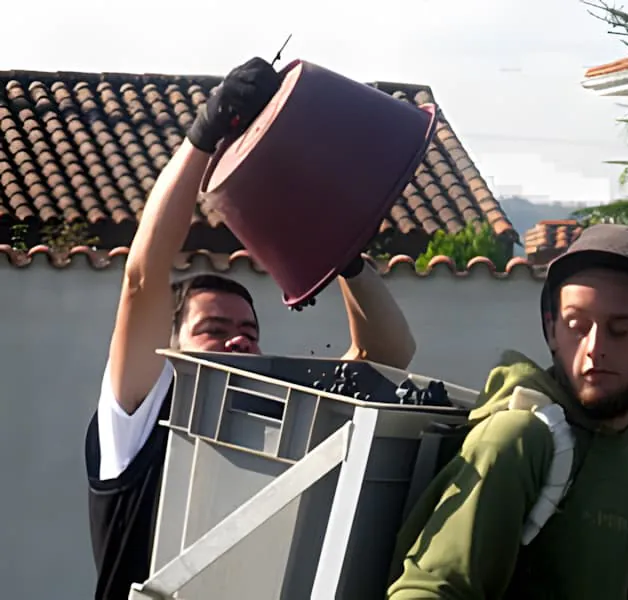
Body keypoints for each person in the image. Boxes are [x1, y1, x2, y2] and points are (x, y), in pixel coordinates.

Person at [83, 57, 417, 600]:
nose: (238, 338)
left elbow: (388, 352)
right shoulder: (138, 417)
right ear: (168, 347)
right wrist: (203, 134)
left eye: (248, 329)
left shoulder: (276, 411)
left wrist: (342, 254)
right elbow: (143, 277)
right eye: (213, 327)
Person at [387, 224, 628, 599]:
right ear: (552, 330)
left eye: (619, 330)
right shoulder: (518, 439)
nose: (594, 348)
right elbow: (426, 591)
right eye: (577, 326)